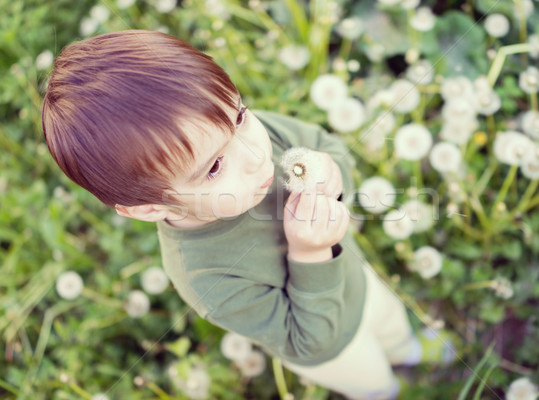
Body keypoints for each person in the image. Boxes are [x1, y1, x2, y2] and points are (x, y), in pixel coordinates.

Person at [42, 30, 456, 399]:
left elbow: (325, 146)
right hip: (335, 348)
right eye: (215, 168)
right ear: (152, 208)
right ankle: (397, 388)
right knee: (372, 379)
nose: (258, 157)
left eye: (241, 116)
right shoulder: (206, 278)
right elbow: (307, 341)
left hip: (358, 277)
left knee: (390, 319)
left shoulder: (237, 134)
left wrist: (330, 171)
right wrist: (310, 252)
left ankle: (412, 349)